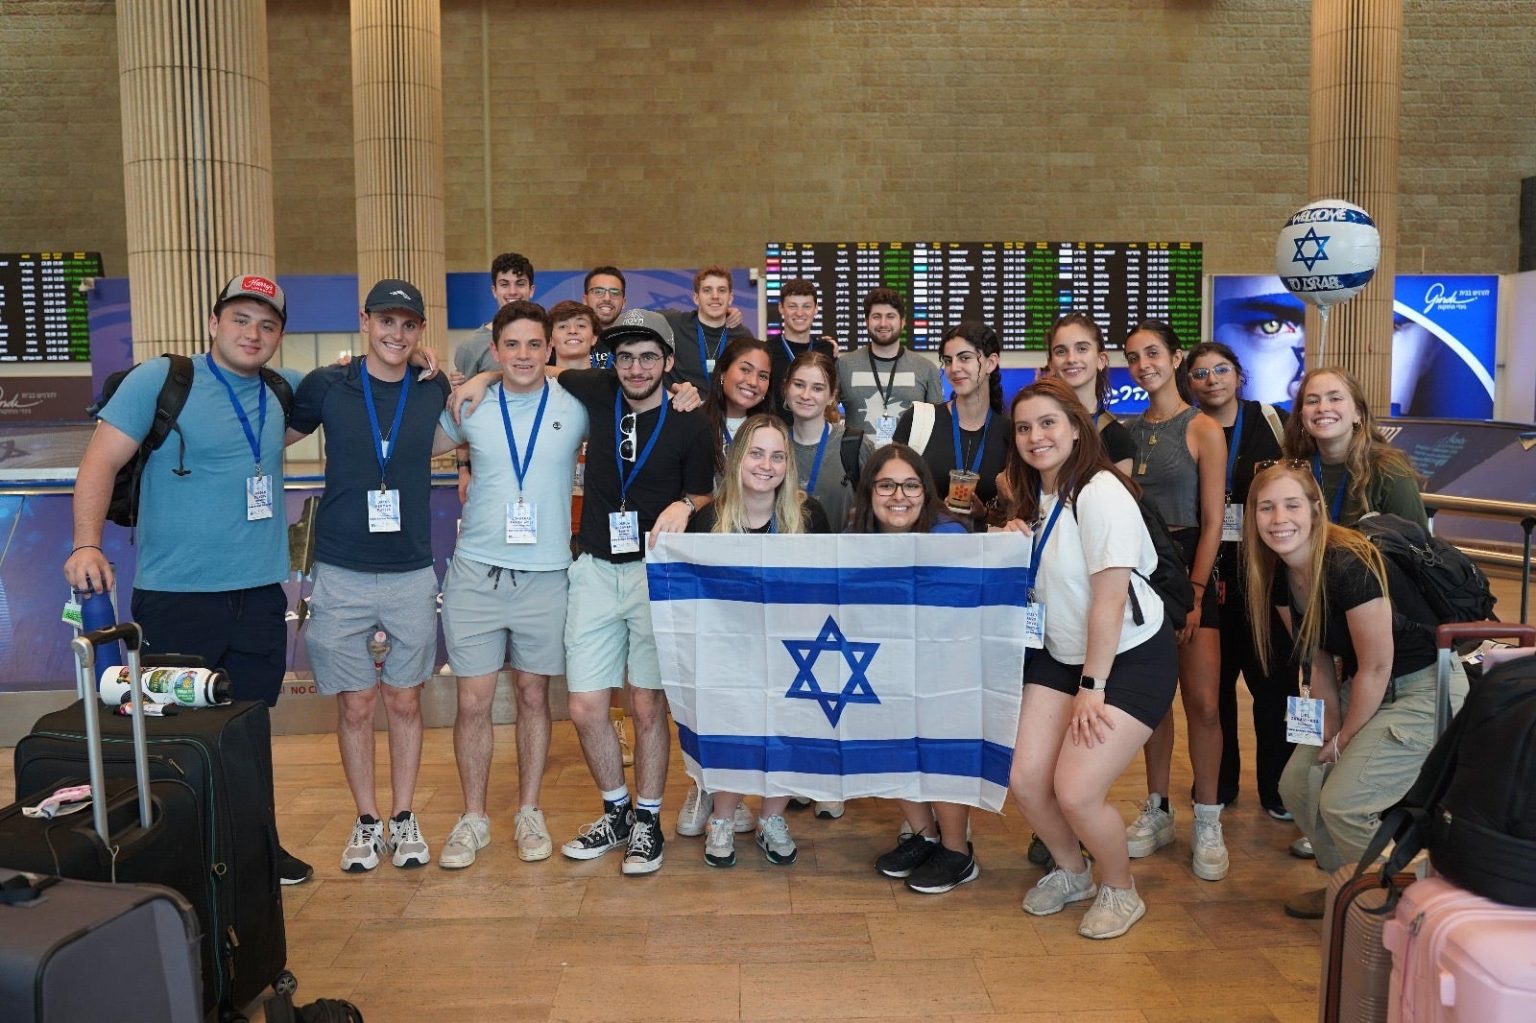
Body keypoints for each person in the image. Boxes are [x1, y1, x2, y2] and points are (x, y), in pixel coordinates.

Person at [63, 274, 313, 885]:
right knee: (172, 731)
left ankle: (255, 851)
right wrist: (86, 544)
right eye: (240, 319)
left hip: (258, 594)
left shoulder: (282, 391)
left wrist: (434, 364)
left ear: (279, 335)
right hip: (175, 595)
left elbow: (363, 383)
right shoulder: (162, 380)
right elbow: (99, 461)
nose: (252, 333)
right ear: (213, 323)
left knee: (247, 728)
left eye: (267, 324)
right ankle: (177, 853)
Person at [1242, 463, 1466, 919]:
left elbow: (1378, 665)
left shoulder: (1349, 563)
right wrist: (1328, 730)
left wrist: (1344, 741)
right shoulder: (1281, 576)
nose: (1279, 518)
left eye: (1291, 505)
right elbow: (1318, 658)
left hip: (1423, 689)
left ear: (1315, 509)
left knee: (1345, 803)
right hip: (1365, 687)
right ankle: (1347, 885)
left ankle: (1412, 906)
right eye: (1266, 508)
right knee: (1298, 786)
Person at [286, 278, 452, 873]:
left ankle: (403, 817)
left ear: (420, 331)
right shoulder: (327, 384)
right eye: (386, 322)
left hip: (410, 570)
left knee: (404, 701)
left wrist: (460, 371)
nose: (396, 334)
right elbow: (270, 436)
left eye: (408, 325)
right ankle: (365, 819)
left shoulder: (432, 387)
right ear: (365, 321)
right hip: (340, 569)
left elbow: (477, 393)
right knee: (356, 705)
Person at [1003, 378, 1178, 940]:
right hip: (1062, 652)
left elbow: (1109, 600)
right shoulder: (1037, 495)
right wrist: (1011, 541)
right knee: (1025, 778)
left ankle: (1121, 889)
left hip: (1128, 657)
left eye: (1048, 422)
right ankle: (1073, 872)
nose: (1036, 436)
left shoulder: (1100, 490)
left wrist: (1093, 687)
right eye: (1024, 427)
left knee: (1076, 792)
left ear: (1077, 428)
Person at [432, 300, 586, 868]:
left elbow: (634, 397)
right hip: (476, 574)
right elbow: (416, 444)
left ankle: (528, 810)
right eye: (511, 346)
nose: (523, 355)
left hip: (546, 576)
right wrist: (467, 381)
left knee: (533, 696)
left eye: (534, 345)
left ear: (550, 349)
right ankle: (473, 817)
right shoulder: (470, 404)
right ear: (495, 349)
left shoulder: (574, 407)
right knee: (472, 701)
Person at [685, 414, 832, 868]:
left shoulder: (810, 516)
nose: (766, 466)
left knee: (788, 730)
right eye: (756, 453)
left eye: (777, 456)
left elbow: (826, 588)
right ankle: (723, 818)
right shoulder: (709, 519)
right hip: (728, 651)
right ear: (736, 458)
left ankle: (771, 818)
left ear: (788, 464)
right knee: (732, 727)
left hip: (792, 648)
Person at [1121, 320, 1230, 882]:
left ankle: (1208, 818)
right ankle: (1158, 807)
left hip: (1189, 569)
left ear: (1175, 357)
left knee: (1204, 703)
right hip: (1143, 572)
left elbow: (1213, 521)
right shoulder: (1124, 432)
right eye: (1134, 357)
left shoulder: (1203, 428)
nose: (1144, 365)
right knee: (1155, 703)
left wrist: (1194, 592)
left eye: (1153, 353)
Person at [846, 444, 978, 894]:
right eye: (886, 485)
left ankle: (958, 852)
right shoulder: (856, 536)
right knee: (887, 744)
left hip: (944, 670)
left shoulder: (949, 536)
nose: (898, 496)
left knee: (941, 749)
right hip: (884, 665)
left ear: (926, 491)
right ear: (870, 491)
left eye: (910, 485)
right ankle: (925, 836)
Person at [1186, 342, 1294, 818]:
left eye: (1221, 370)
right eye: (1200, 373)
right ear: (1188, 383)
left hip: (1267, 577)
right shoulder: (1187, 430)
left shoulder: (1273, 422)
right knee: (1214, 690)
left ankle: (1279, 789)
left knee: (1274, 686)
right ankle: (1220, 783)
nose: (1212, 380)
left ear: (1238, 375)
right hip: (1209, 576)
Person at [893, 321, 1008, 531]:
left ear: (991, 363)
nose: (954, 368)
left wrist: (983, 513)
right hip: (923, 543)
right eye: (948, 361)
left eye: (965, 358)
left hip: (983, 548)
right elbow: (890, 488)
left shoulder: (1009, 432)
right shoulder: (918, 419)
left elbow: (1016, 513)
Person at [1281, 366, 1427, 529]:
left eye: (1335, 398)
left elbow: (1416, 540)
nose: (1322, 408)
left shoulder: (1390, 471)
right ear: (1302, 416)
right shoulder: (1291, 470)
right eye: (1312, 401)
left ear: (1358, 413)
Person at [836, 288, 944, 445]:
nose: (883, 323)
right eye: (876, 316)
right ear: (866, 321)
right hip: (855, 460)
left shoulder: (926, 368)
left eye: (890, 316)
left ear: (903, 322)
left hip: (907, 459)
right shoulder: (844, 365)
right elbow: (825, 414)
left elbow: (937, 424)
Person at [1043, 312, 1136, 475]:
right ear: (1051, 364)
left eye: (1082, 349)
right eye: (1061, 351)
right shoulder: (1037, 426)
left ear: (1101, 360)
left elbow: (1121, 492)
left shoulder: (1116, 436)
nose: (1071, 359)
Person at [784, 351, 866, 532]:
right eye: (799, 385)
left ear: (831, 396)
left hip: (842, 549)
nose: (806, 395)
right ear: (786, 388)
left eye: (817, 388)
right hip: (784, 549)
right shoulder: (773, 445)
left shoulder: (854, 445)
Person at [664, 265, 753, 391]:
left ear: (730, 298)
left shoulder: (743, 337)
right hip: (683, 403)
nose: (715, 296)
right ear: (696, 298)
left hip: (725, 404)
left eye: (722, 290)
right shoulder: (673, 323)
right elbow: (639, 318)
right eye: (707, 290)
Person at [451, 251, 535, 383]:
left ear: (531, 290)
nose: (513, 291)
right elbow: (464, 393)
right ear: (494, 291)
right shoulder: (471, 346)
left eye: (520, 284)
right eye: (504, 284)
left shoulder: (549, 337)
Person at [702, 336, 774, 472]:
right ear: (723, 373)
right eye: (745, 370)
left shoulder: (772, 432)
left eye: (763, 376)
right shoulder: (695, 423)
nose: (753, 382)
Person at [768, 278, 838, 418]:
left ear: (816, 309)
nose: (799, 313)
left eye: (806, 306)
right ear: (781, 308)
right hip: (776, 429)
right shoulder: (766, 351)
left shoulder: (826, 350)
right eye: (792, 306)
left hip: (815, 429)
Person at [548, 300, 603, 370]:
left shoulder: (610, 377)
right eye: (563, 326)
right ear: (551, 340)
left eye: (581, 325)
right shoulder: (537, 377)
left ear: (594, 338)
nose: (572, 331)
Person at [584, 266, 628, 333]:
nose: (607, 298)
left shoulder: (637, 338)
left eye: (614, 293)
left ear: (623, 302)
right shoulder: (572, 337)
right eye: (598, 292)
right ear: (585, 300)